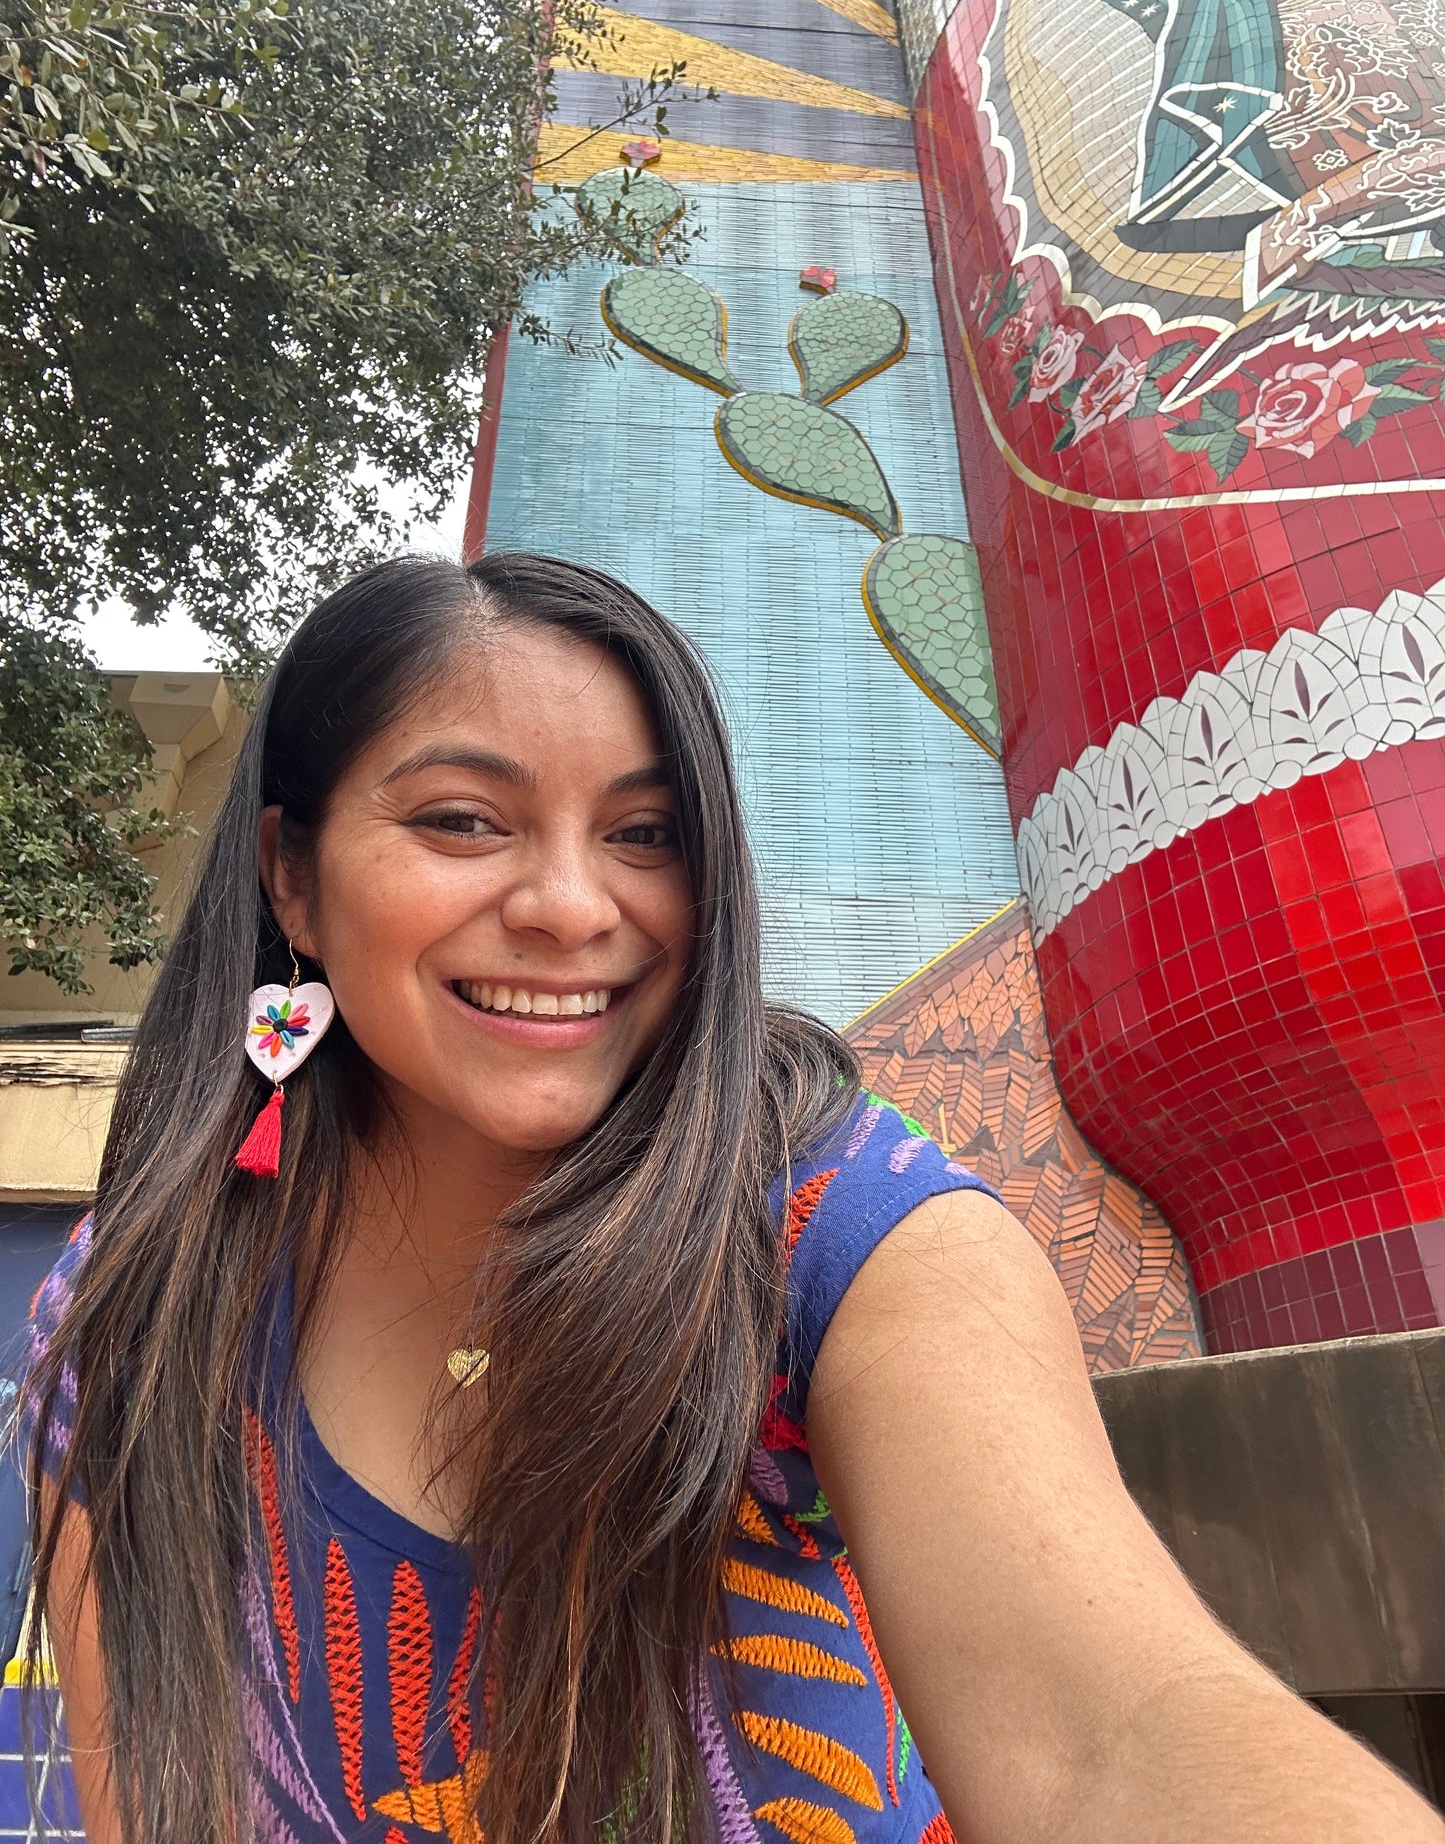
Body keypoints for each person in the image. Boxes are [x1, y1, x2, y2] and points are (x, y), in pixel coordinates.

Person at [21, 553, 1442, 1844]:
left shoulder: (846, 1228)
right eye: (464, 821)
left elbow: (1108, 1739)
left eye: (644, 836)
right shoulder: (131, 1309)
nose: (574, 907)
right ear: (294, 876)